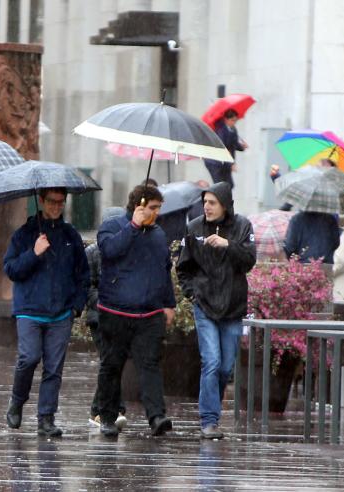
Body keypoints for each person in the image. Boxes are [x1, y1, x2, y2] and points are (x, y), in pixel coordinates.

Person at [3, 187, 89, 437]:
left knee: (54, 367)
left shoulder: (70, 235)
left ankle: (46, 417)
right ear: (41, 201)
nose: (56, 207)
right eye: (52, 202)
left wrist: (76, 306)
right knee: (28, 357)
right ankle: (17, 400)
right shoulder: (24, 234)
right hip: (29, 309)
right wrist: (34, 253)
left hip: (61, 312)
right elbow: (11, 269)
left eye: (61, 202)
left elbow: (83, 274)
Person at [177, 182, 256, 439]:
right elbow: (183, 267)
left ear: (225, 204)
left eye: (212, 202)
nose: (207, 207)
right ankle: (208, 420)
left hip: (233, 307)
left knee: (225, 368)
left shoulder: (242, 226)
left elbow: (249, 260)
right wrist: (193, 293)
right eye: (205, 202)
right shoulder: (194, 228)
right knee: (210, 361)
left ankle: (214, 410)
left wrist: (227, 245)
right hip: (205, 305)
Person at [96, 184, 176, 437]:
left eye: (159, 209)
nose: (156, 213)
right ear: (139, 205)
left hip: (149, 314)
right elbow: (109, 251)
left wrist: (169, 303)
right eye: (153, 208)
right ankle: (107, 416)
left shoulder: (158, 234)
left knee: (150, 365)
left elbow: (163, 270)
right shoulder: (113, 226)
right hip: (115, 311)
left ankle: (156, 415)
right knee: (112, 365)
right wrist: (132, 227)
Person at [86, 207, 127, 430]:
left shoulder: (127, 250)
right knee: (110, 360)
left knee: (112, 362)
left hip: (121, 314)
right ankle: (110, 409)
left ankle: (100, 410)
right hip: (99, 316)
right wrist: (102, 301)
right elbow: (86, 284)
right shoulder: (92, 252)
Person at [203, 109, 248, 188]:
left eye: (236, 120)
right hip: (214, 161)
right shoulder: (220, 130)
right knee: (220, 185)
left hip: (225, 162)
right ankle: (217, 199)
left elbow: (234, 144)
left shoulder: (233, 129)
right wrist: (231, 164)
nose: (234, 123)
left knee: (230, 185)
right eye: (232, 120)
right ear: (226, 119)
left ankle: (223, 199)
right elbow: (222, 148)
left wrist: (242, 147)